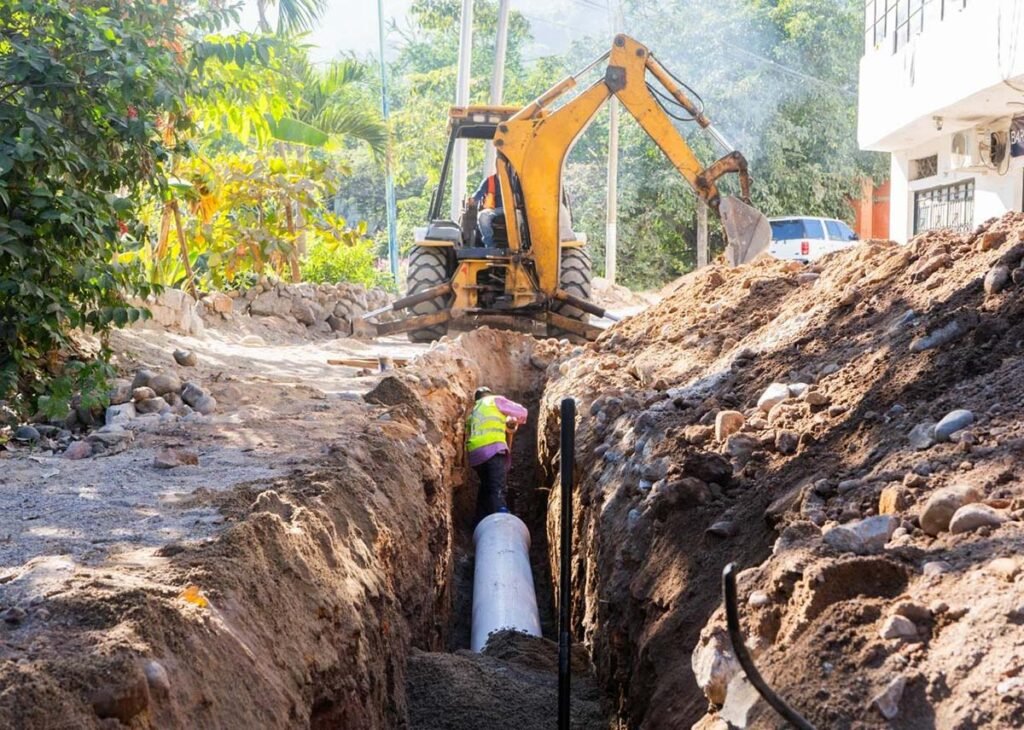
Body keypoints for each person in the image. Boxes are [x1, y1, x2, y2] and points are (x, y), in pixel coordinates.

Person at [465, 386, 527, 519]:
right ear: (489, 394)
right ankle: (500, 515)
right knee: (497, 487)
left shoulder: (474, 411)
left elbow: (468, 430)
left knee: (486, 487)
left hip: (476, 456)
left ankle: (480, 518)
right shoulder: (495, 400)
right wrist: (512, 418)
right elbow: (522, 413)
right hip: (493, 449)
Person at [471, 174, 504, 246]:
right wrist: (472, 199)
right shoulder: (490, 180)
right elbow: (479, 193)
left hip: (512, 209)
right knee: (483, 215)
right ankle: (490, 245)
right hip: (494, 209)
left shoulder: (515, 179)